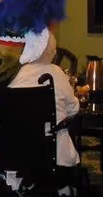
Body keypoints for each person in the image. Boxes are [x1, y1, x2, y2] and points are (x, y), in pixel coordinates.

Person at [8, 31, 80, 168]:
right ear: (53, 53)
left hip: (18, 151)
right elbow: (73, 108)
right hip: (54, 153)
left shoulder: (13, 74)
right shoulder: (56, 73)